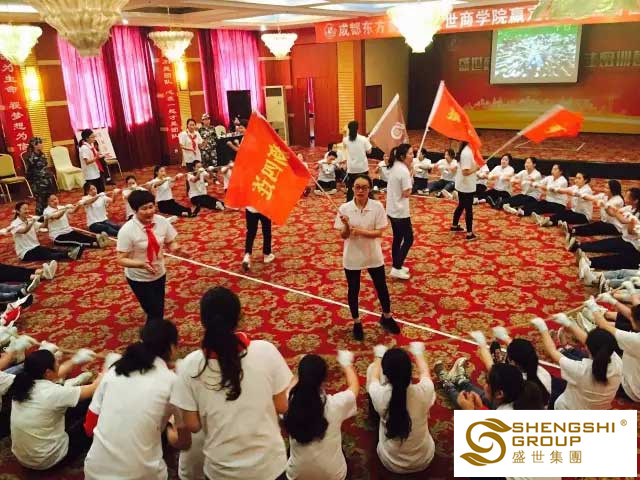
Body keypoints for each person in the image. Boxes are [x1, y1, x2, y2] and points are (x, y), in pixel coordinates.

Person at [170, 286, 293, 480]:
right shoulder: (266, 351)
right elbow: (282, 406)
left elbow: (193, 425)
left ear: (202, 321)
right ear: (239, 318)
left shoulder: (189, 365)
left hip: (221, 471)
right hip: (269, 467)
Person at [83, 320, 189, 479]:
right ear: (172, 347)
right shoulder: (172, 382)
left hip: (94, 473)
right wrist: (168, 427)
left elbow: (89, 428)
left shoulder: (114, 371)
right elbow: (184, 443)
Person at [9, 348, 100, 470]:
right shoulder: (53, 393)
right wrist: (109, 367)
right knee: (94, 409)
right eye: (56, 361)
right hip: (49, 459)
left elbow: (54, 375)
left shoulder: (22, 384)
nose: (58, 362)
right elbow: (94, 388)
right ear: (47, 372)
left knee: (72, 404)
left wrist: (75, 360)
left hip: (23, 457)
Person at [335, 174, 399, 340]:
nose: (360, 190)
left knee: (381, 286)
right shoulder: (344, 208)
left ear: (369, 189)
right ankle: (356, 322)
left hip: (373, 253)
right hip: (352, 255)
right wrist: (346, 225)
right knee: (353, 289)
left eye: (364, 187)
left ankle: (387, 316)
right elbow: (344, 236)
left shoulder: (377, 206)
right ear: (352, 188)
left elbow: (379, 232)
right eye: (357, 187)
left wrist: (360, 231)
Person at [284, 352, 358, 480]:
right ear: (324, 380)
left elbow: (290, 387)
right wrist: (346, 363)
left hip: (296, 475)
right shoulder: (335, 405)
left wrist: (302, 371)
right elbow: (354, 388)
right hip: (334, 475)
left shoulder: (287, 403)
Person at [367, 344, 436, 474]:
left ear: (385, 373)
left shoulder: (380, 395)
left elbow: (373, 379)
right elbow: (425, 372)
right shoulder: (425, 391)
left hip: (390, 461)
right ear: (410, 371)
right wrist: (418, 353)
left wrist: (378, 357)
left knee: (371, 370)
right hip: (424, 459)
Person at [116, 190, 179, 323]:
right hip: (139, 277)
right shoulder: (127, 230)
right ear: (135, 210)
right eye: (144, 209)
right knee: (153, 310)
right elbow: (120, 259)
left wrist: (176, 248)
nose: (149, 211)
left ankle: (155, 329)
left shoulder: (162, 221)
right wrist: (141, 264)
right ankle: (153, 333)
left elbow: (170, 241)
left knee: (158, 309)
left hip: (159, 272)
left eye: (151, 207)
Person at [531, 318, 622, 409]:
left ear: (587, 348)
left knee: (546, 381)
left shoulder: (581, 370)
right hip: (597, 408)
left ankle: (562, 348)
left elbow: (552, 352)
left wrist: (543, 328)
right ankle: (565, 348)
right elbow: (593, 342)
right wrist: (568, 324)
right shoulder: (617, 361)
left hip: (568, 408)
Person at [593, 310, 640, 402]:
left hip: (632, 390)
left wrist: (593, 309)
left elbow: (603, 325)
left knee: (601, 347)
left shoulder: (636, 340)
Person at [11, 202, 81, 262]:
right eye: (24, 209)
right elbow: (24, 231)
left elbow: (44, 226)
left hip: (35, 247)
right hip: (25, 252)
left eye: (27, 209)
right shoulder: (14, 224)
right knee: (46, 254)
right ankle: (68, 255)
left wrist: (46, 219)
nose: (27, 211)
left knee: (50, 250)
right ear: (17, 211)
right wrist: (32, 222)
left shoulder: (29, 220)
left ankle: (71, 252)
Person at [386, 144, 414, 280]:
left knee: (397, 238)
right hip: (400, 211)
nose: (413, 156)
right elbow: (406, 193)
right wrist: (411, 176)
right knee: (409, 239)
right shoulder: (403, 171)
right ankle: (396, 267)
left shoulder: (394, 166)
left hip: (392, 208)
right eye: (410, 154)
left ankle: (397, 264)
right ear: (402, 156)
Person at [451, 141, 478, 240]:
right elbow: (465, 172)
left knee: (461, 205)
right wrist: (477, 168)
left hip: (463, 184)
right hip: (466, 186)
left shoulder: (467, 151)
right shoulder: (467, 153)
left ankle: (454, 225)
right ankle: (469, 233)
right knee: (468, 209)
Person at [24, 137, 56, 215]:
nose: (42, 145)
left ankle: (49, 215)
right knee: (40, 201)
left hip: (46, 179)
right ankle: (40, 217)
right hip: (38, 181)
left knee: (49, 198)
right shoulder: (30, 156)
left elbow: (45, 166)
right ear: (34, 145)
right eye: (40, 143)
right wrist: (34, 182)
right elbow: (29, 171)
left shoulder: (42, 154)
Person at [343, 121, 372, 202]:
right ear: (357, 128)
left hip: (351, 168)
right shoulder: (363, 139)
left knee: (351, 188)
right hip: (362, 167)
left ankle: (349, 202)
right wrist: (368, 141)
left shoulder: (345, 140)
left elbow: (345, 149)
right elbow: (369, 151)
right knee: (365, 186)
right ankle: (367, 201)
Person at [242, 206, 275, 272]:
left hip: (250, 209)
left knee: (250, 233)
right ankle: (267, 254)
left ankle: (247, 255)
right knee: (266, 231)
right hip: (264, 208)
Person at [79, 129, 105, 193]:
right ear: (87, 138)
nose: (94, 138)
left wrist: (103, 155)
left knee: (101, 190)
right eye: (92, 137)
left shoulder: (90, 146)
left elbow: (96, 156)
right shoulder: (84, 148)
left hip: (95, 171)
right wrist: (96, 158)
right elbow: (87, 162)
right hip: (90, 174)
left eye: (94, 136)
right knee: (92, 192)